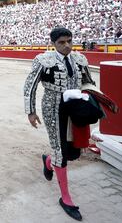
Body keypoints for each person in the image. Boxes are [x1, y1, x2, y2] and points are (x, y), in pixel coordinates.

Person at [23, 27, 96, 221]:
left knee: (73, 150)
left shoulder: (79, 59)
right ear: (53, 43)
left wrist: (93, 103)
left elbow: (89, 82)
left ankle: (48, 161)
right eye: (62, 42)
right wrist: (30, 112)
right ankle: (66, 197)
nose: (67, 45)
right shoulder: (43, 60)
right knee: (61, 150)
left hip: (76, 106)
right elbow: (30, 85)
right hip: (53, 106)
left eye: (69, 41)